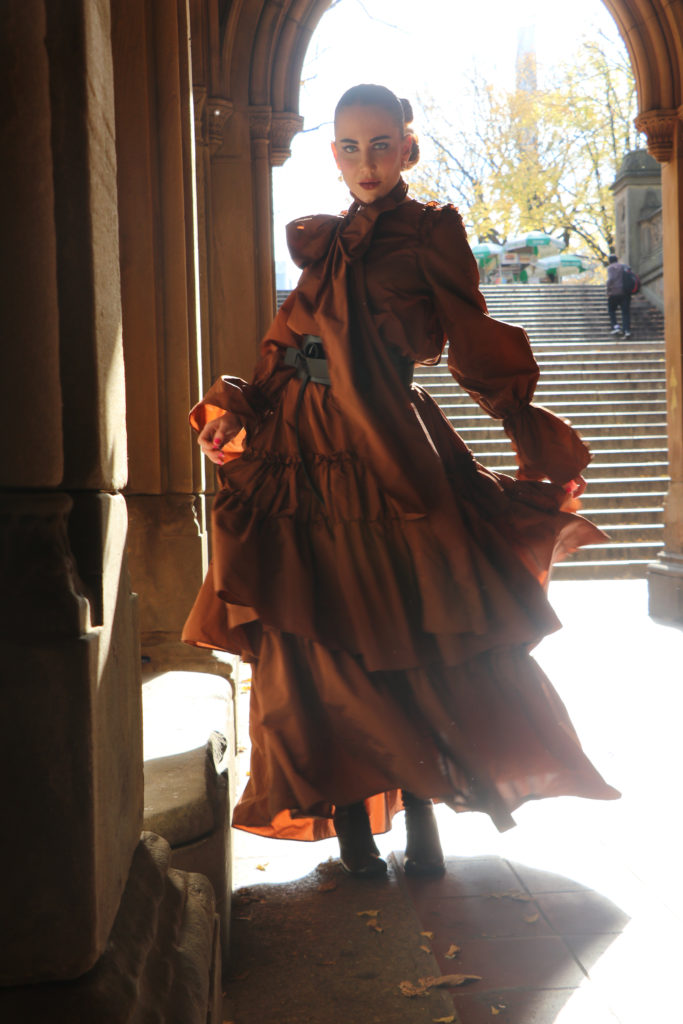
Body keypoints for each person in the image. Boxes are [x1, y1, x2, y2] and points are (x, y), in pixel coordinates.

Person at [183, 84, 619, 879]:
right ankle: (353, 833)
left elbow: (473, 338)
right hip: (297, 450)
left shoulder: (429, 230)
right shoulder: (325, 241)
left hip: (384, 444)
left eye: (381, 144)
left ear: (407, 149)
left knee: (405, 633)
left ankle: (422, 826)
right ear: (333, 154)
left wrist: (528, 431)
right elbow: (279, 355)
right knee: (313, 642)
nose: (366, 161)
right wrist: (233, 412)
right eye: (350, 147)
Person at [606, 253, 633, 338]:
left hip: (614, 293)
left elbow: (610, 279)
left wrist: (608, 290)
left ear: (610, 261)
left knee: (611, 310)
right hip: (625, 292)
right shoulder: (624, 266)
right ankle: (627, 330)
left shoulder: (610, 268)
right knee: (625, 312)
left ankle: (616, 326)